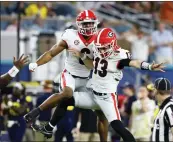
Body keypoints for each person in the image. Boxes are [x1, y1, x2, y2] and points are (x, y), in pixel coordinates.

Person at [31, 28, 165, 142]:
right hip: (92, 94)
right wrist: (82, 57)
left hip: (107, 98)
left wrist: (150, 66)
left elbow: (134, 63)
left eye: (105, 47)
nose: (102, 50)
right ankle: (49, 128)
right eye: (100, 47)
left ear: (113, 44)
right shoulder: (99, 50)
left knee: (118, 127)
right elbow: (93, 65)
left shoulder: (120, 56)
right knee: (65, 99)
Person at [24, 10, 108, 141]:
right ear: (79, 25)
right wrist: (36, 64)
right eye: (85, 24)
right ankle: (35, 113)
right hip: (70, 75)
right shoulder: (70, 36)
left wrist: (83, 56)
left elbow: (94, 66)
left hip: (87, 78)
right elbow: (51, 53)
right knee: (67, 93)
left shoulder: (100, 40)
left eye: (90, 23)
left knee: (102, 112)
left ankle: (49, 127)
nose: (88, 27)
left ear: (95, 24)